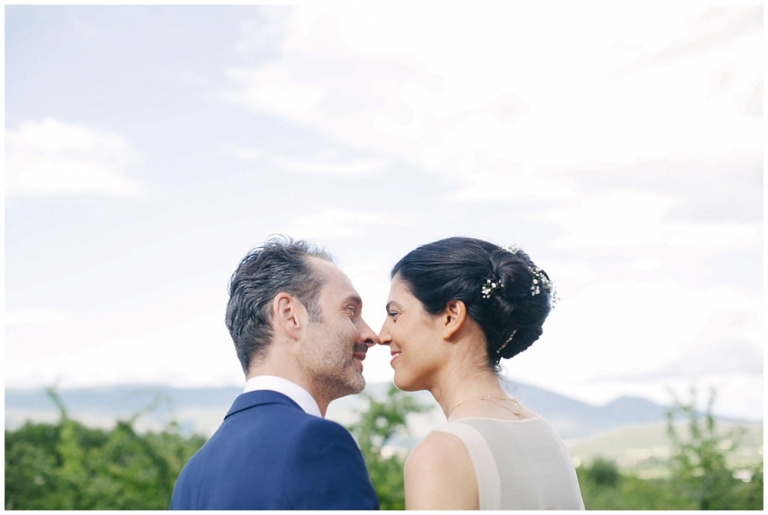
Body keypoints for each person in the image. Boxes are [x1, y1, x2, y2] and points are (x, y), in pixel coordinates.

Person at [170, 236, 380, 510]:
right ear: (290, 315)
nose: (370, 334)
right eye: (350, 311)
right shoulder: (317, 443)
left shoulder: (192, 474)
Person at [378, 236, 584, 510]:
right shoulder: (546, 435)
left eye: (394, 314)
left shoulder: (441, 454)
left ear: (451, 317)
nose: (382, 335)